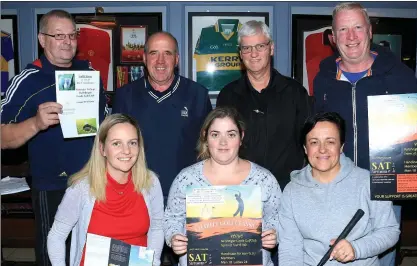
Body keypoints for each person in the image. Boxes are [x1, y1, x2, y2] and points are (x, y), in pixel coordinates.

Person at [313, 3, 417, 265]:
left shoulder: (400, 75)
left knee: (382, 258)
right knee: (337, 256)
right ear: (333, 38)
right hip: (337, 188)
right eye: (343, 29)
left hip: (386, 190)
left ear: (369, 31)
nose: (351, 36)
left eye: (357, 27)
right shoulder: (323, 78)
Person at [1, 10, 107, 266]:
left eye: (72, 35)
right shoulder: (27, 80)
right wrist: (36, 123)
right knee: (53, 253)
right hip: (51, 185)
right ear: (42, 39)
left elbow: (102, 125)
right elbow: (3, 137)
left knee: (90, 251)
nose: (67, 41)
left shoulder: (89, 73)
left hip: (91, 182)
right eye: (58, 35)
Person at [163, 107, 281, 266]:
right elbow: (172, 218)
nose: (223, 142)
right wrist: (174, 237)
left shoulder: (264, 180)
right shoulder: (186, 179)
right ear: (205, 136)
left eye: (231, 134)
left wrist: (274, 235)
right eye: (215, 134)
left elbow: (279, 219)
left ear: (241, 137)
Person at [279, 112, 400, 266]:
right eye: (314, 142)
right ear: (305, 148)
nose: (322, 149)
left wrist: (356, 249)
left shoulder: (368, 182)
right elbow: (290, 248)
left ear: (341, 146)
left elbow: (390, 231)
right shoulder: (291, 191)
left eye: (330, 142)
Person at [47, 113, 164, 266]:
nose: (126, 151)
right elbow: (56, 236)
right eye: (116, 143)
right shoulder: (81, 189)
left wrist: (153, 262)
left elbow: (157, 227)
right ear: (102, 149)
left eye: (132, 143)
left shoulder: (150, 182)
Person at [112, 31, 212, 200]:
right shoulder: (125, 96)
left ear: (177, 59)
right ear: (144, 58)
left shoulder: (197, 95)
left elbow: (210, 148)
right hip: (136, 195)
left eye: (167, 53)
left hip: (187, 195)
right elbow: (112, 147)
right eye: (154, 53)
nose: (160, 61)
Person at [216, 20, 312, 191]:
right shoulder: (228, 95)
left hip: (288, 191)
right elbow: (220, 147)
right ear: (240, 53)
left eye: (260, 46)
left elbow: (309, 143)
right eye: (247, 48)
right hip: (241, 191)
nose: (253, 54)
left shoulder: (295, 92)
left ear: (271, 48)